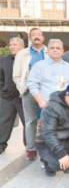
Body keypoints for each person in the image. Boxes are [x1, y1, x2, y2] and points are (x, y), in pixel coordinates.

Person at [36, 83, 69, 176]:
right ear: (66, 94)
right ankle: (47, 161)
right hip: (47, 143)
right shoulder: (52, 107)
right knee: (57, 165)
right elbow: (48, 134)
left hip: (66, 138)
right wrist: (61, 153)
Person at [13, 27, 47, 160]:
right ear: (30, 38)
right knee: (30, 121)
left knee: (46, 121)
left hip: (45, 92)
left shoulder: (48, 52)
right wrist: (21, 88)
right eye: (34, 35)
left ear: (43, 37)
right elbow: (16, 74)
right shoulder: (22, 53)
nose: (37, 37)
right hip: (28, 92)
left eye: (39, 34)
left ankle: (45, 146)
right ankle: (31, 148)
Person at [27, 39, 69, 108]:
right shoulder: (39, 66)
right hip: (47, 106)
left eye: (58, 48)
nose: (55, 50)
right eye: (52, 48)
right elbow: (32, 85)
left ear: (62, 51)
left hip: (65, 107)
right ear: (48, 51)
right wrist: (40, 101)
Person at [0, 37, 25, 154]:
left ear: (22, 47)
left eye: (14, 44)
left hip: (23, 97)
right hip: (7, 97)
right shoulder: (3, 60)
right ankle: (1, 144)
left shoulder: (27, 60)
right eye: (10, 44)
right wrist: (2, 91)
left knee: (28, 122)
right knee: (4, 121)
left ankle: (30, 147)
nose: (11, 47)